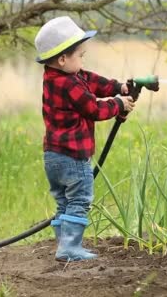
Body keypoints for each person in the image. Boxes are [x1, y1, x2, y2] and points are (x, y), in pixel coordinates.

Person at [34, 16, 135, 262]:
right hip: (73, 156)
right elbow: (93, 109)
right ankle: (70, 248)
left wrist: (117, 87)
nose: (83, 60)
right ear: (62, 58)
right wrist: (118, 103)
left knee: (63, 202)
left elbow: (91, 80)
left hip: (53, 157)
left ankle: (63, 245)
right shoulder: (70, 85)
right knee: (79, 199)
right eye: (81, 55)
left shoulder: (57, 77)